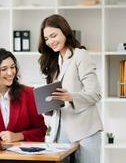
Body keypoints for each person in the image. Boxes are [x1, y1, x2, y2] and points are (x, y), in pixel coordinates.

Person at [38, 14, 103, 163]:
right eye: (46, 39)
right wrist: (47, 104)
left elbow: (96, 94)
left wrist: (70, 97)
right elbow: (59, 99)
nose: (50, 42)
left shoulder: (80, 55)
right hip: (60, 133)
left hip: (85, 132)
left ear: (65, 31)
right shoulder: (54, 63)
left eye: (53, 35)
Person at [0, 48, 47, 142]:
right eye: (4, 69)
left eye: (12, 67)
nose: (10, 73)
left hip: (21, 155)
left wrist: (19, 136)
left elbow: (41, 131)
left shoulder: (28, 93)